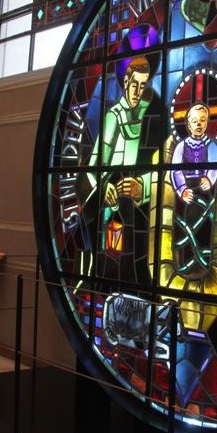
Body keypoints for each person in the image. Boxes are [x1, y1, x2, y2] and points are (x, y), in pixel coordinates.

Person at [77, 56, 152, 277]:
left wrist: (144, 187)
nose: (137, 91)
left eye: (142, 85)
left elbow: (162, 168)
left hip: (140, 205)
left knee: (137, 262)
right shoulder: (114, 116)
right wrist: (103, 187)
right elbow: (94, 166)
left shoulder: (149, 116)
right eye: (134, 84)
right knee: (113, 258)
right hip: (114, 203)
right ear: (126, 82)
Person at [170, 103, 217, 278]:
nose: (198, 124)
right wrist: (182, 189)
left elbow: (215, 166)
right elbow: (175, 170)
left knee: (205, 226)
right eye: (194, 121)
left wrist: (209, 179)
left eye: (202, 120)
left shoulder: (211, 145)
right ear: (188, 124)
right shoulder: (181, 146)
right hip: (186, 195)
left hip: (204, 192)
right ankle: (185, 264)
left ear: (207, 123)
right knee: (184, 226)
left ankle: (203, 262)